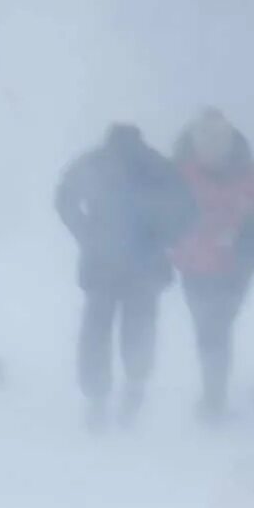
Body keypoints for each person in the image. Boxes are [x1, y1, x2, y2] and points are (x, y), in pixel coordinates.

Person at [55, 124, 194, 426]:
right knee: (138, 329)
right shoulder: (157, 165)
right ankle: (133, 388)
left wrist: (85, 231)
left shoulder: (95, 161)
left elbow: (64, 197)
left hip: (102, 263)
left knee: (97, 333)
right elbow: (187, 208)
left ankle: (98, 399)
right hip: (143, 264)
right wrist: (164, 238)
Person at [172, 108, 254, 419]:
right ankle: (213, 395)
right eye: (206, 139)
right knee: (211, 329)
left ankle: (213, 396)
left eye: (218, 140)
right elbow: (167, 212)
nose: (212, 147)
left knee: (215, 328)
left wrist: (243, 223)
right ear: (195, 142)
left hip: (232, 265)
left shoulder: (244, 173)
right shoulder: (181, 173)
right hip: (196, 264)